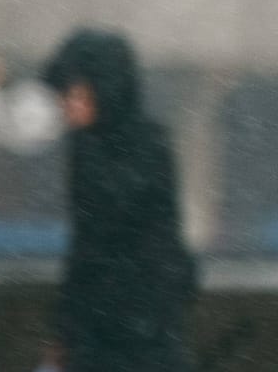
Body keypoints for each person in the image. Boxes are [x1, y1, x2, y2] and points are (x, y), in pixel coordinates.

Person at [40, 28, 197, 372]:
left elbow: (112, 226)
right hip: (111, 329)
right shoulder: (87, 146)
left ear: (103, 91)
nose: (66, 106)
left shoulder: (139, 146)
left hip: (135, 329)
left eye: (75, 95)